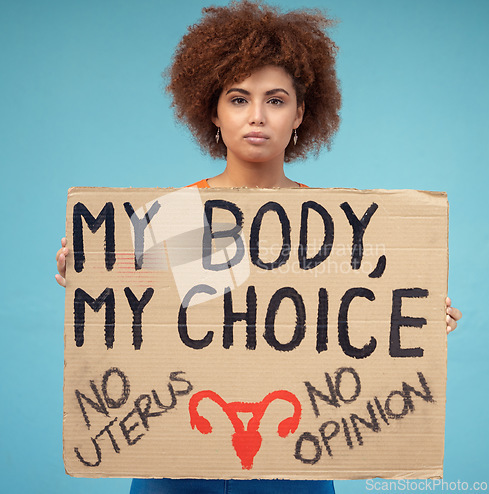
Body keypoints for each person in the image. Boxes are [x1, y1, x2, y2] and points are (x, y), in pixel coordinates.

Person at [55, 1, 462, 493]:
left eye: (275, 100)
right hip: (175, 465)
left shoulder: (338, 227)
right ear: (213, 111)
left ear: (300, 114)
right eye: (238, 98)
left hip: (292, 466)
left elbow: (344, 340)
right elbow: (132, 322)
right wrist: (86, 273)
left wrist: (418, 321)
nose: (257, 117)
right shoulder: (174, 216)